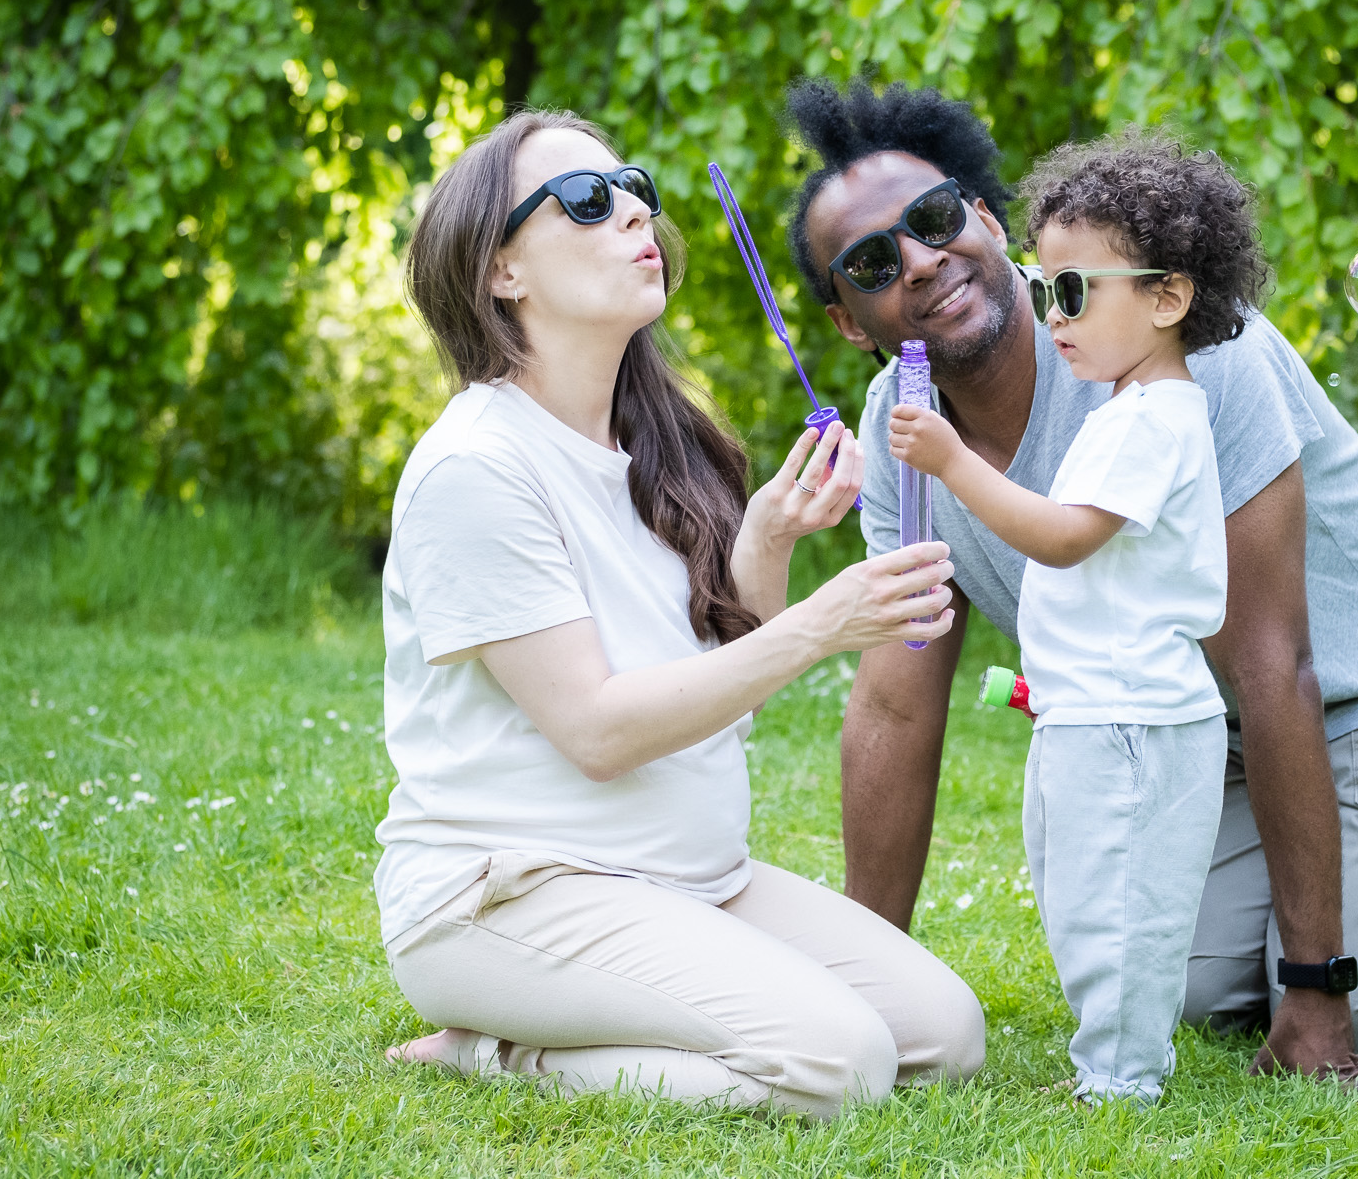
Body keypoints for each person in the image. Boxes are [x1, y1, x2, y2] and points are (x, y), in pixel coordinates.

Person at [785, 79, 1358, 1095]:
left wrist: (1317, 996)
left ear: (985, 218)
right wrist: (865, 986)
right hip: (1198, 722)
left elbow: (1277, 660)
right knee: (1161, 979)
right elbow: (892, 701)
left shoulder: (1176, 349)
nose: (919, 262)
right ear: (847, 321)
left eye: (931, 219)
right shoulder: (899, 427)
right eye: (873, 262)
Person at [374, 109, 984, 1120]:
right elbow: (600, 732)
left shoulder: (653, 444)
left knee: (943, 1037)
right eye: (584, 199)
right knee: (838, 1067)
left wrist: (769, 542)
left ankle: (613, 1008)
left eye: (636, 188)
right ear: (499, 272)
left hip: (686, 878)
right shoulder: (476, 467)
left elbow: (713, 704)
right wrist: (824, 624)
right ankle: (490, 1051)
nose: (633, 212)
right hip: (511, 895)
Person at [888, 131, 1266, 1105]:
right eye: (1045, 288)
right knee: (1074, 893)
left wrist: (949, 463)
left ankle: (1122, 1075)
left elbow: (1060, 539)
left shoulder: (1154, 417)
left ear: (1166, 298)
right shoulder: (1126, 408)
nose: (1047, 314)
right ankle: (1107, 1059)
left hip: (1133, 718)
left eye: (1071, 293)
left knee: (1120, 908)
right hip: (1091, 711)